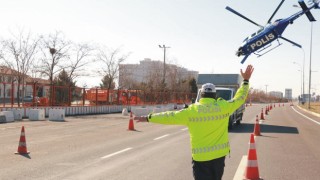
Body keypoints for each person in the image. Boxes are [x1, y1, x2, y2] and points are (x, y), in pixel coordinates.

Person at [134, 65, 254, 180]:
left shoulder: (191, 111)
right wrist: (246, 81)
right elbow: (239, 98)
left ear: (201, 95)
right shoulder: (223, 107)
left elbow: (168, 116)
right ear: (214, 95)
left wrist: (149, 117)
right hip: (219, 157)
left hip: (200, 159)